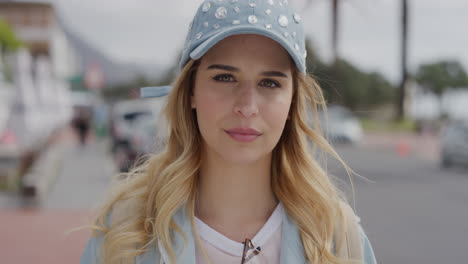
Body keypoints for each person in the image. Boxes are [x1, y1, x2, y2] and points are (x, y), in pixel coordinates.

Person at [81, 0, 377, 263]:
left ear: (292, 102)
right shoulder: (124, 232)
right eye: (225, 77)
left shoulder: (336, 237)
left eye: (270, 83)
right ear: (191, 91)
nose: (247, 106)